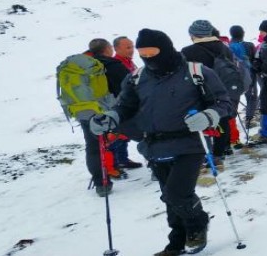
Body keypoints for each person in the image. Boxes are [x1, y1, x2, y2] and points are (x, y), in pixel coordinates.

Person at [89, 29, 232, 255]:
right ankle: (176, 242)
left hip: (190, 144)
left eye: (152, 52)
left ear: (165, 49)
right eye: (142, 54)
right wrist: (110, 118)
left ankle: (198, 223)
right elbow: (124, 106)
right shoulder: (136, 77)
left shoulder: (196, 72)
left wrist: (208, 116)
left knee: (176, 193)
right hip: (154, 146)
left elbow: (223, 102)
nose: (148, 58)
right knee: (169, 197)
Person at [181, 20, 237, 163]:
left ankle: (210, 153)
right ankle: (223, 149)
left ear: (194, 34)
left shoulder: (188, 51)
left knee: (206, 120)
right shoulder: (224, 47)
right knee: (222, 118)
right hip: (226, 89)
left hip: (203, 90)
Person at [81, 39, 130, 194]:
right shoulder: (113, 65)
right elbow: (127, 87)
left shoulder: (80, 66)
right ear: (108, 49)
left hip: (84, 111)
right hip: (106, 111)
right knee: (113, 140)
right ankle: (113, 168)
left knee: (93, 147)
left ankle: (101, 184)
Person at [109, 36, 143, 170]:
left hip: (129, 103)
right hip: (122, 105)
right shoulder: (117, 64)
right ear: (116, 49)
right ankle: (116, 162)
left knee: (123, 134)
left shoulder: (128, 62)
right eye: (128, 47)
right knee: (119, 133)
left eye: (132, 47)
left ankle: (122, 159)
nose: (131, 50)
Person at [229, 25, 258, 132]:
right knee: (251, 97)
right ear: (243, 33)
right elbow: (256, 60)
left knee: (234, 99)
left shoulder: (228, 47)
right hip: (250, 75)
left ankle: (231, 123)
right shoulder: (249, 45)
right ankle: (249, 119)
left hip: (233, 76)